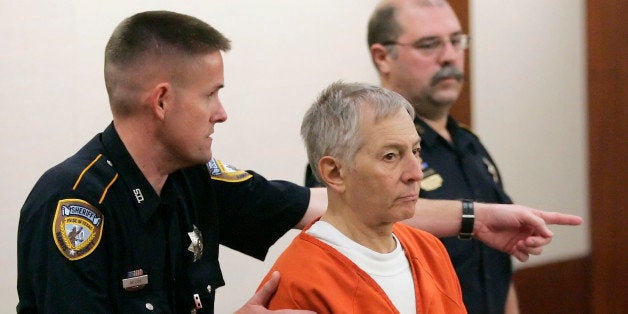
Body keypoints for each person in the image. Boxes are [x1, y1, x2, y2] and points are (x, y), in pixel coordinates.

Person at [17, 9, 581, 314]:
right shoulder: (75, 206)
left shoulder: (194, 182)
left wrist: (476, 219)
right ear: (162, 101)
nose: (223, 112)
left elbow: (333, 204)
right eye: (211, 94)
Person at [259, 81, 467, 313]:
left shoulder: (430, 251)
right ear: (335, 172)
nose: (416, 173)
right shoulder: (300, 283)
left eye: (415, 151)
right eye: (390, 156)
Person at [367, 0, 519, 312]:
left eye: (456, 41)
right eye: (429, 44)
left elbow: (497, 266)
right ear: (383, 57)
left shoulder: (469, 143)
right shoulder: (360, 146)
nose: (449, 56)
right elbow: (358, 233)